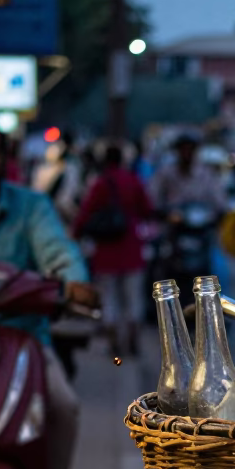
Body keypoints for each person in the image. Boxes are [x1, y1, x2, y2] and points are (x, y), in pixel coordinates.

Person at [0, 112, 97, 469]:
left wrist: (72, 283)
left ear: (4, 157)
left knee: (64, 407)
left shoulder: (31, 207)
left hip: (21, 342)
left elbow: (59, 255)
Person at [75, 142, 152, 357]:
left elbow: (85, 212)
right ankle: (132, 341)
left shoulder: (99, 183)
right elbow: (147, 209)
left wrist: (75, 233)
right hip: (132, 250)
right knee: (133, 298)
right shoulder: (133, 181)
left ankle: (114, 345)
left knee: (109, 300)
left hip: (106, 252)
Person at [151, 132, 227, 220]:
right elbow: (154, 195)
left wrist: (218, 211)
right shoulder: (165, 173)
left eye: (190, 149)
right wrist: (162, 211)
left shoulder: (207, 174)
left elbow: (219, 198)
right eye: (183, 149)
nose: (186, 153)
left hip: (203, 221)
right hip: (175, 221)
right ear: (177, 151)